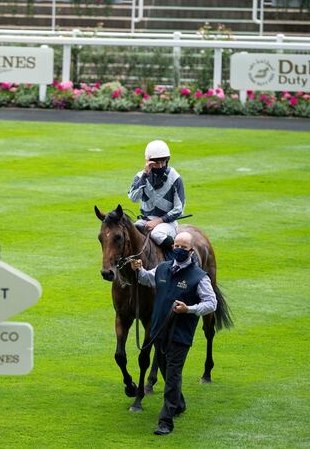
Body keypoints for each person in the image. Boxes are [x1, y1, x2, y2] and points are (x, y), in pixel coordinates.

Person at [130, 231, 217, 436]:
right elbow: (146, 279)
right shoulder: (162, 269)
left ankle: (165, 421)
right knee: (163, 369)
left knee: (173, 375)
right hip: (159, 331)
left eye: (183, 248)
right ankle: (179, 404)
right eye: (175, 246)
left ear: (191, 251)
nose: (178, 250)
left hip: (180, 335)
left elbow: (211, 303)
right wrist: (139, 269)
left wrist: (189, 309)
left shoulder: (199, 277)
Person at [128, 140, 185, 255]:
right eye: (156, 163)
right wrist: (145, 175)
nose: (160, 166)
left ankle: (175, 259)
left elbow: (179, 209)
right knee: (131, 233)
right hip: (145, 220)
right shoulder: (140, 176)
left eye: (163, 162)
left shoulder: (175, 178)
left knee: (156, 234)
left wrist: (158, 221)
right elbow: (133, 198)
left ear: (167, 161)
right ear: (148, 161)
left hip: (168, 223)